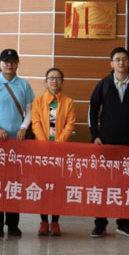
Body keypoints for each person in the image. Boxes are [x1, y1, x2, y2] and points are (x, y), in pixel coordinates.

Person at [88, 46, 129, 237]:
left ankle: (123, 223)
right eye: (117, 59)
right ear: (111, 64)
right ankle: (100, 223)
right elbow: (92, 110)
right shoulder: (104, 84)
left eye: (124, 59)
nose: (121, 62)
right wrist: (95, 135)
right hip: (106, 142)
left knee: (126, 184)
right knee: (103, 184)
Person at [0, 48, 34, 237]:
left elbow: (29, 111)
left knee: (14, 182)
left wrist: (24, 127)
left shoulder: (24, 85)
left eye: (13, 61)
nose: (9, 64)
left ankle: (13, 224)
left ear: (17, 64)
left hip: (16, 143)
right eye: (6, 61)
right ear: (0, 64)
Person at [31, 67, 76, 236]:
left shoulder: (68, 102)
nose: (54, 81)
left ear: (62, 81)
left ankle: (55, 221)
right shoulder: (38, 101)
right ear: (46, 82)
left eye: (57, 78)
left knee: (58, 187)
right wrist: (45, 144)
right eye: (51, 78)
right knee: (42, 186)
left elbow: (70, 125)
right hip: (42, 151)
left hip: (60, 151)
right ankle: (43, 221)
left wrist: (58, 144)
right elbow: (35, 122)